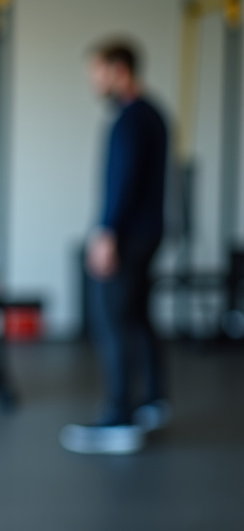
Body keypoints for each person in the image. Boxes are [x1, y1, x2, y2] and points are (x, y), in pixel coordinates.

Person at [60, 39, 168, 455]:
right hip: (147, 232)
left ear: (119, 70)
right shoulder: (151, 113)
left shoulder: (130, 119)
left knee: (113, 320)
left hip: (127, 236)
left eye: (97, 72)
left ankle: (120, 418)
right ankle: (153, 401)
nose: (94, 81)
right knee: (139, 315)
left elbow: (123, 182)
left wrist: (105, 233)